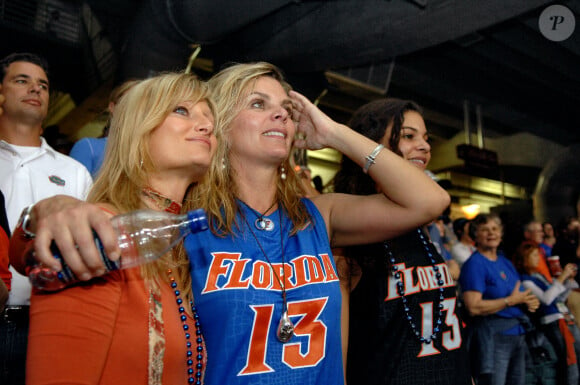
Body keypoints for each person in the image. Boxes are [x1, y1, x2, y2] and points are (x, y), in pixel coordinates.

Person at [14, 62, 450, 385]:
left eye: (285, 108)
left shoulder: (320, 214)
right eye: (259, 104)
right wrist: (46, 211)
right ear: (219, 126)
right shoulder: (189, 221)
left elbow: (429, 200)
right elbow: (88, 238)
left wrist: (334, 133)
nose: (281, 115)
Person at [11, 72, 216, 384]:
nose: (207, 126)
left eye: (209, 117)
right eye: (182, 110)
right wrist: (44, 211)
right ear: (138, 129)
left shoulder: (190, 244)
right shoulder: (95, 234)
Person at [331, 98, 470, 385]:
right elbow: (337, 353)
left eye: (425, 138)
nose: (425, 146)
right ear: (368, 145)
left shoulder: (420, 228)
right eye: (408, 136)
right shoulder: (346, 234)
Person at [0, 52, 93, 385]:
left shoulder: (74, 171)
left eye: (43, 85)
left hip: (46, 322)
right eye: (22, 80)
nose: (35, 89)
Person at [459, 214, 540, 385]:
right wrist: (509, 301)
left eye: (495, 229)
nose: (491, 233)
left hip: (518, 334)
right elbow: (473, 307)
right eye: (485, 230)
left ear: (501, 234)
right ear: (476, 235)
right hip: (494, 337)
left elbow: (521, 294)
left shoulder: (505, 262)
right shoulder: (475, 264)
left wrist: (530, 301)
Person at [514, 241, 580, 385]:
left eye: (538, 255)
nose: (538, 258)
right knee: (569, 360)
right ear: (524, 259)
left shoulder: (539, 276)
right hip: (552, 322)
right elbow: (546, 299)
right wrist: (561, 277)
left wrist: (568, 282)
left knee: (576, 355)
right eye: (534, 255)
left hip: (564, 317)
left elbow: (557, 298)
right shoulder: (526, 281)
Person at [69, 79, 140, 177]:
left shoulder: (149, 156)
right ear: (112, 107)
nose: (135, 109)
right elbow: (73, 190)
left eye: (141, 104)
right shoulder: (88, 147)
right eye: (129, 101)